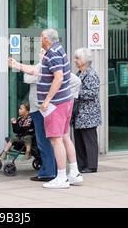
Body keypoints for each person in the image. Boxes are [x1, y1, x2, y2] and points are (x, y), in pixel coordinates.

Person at [10, 29, 83, 189]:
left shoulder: (52, 54)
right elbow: (36, 71)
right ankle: (74, 173)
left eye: (40, 38)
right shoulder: (58, 50)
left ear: (45, 39)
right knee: (64, 137)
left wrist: (47, 101)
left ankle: (62, 177)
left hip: (55, 105)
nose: (39, 41)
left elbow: (59, 77)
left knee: (56, 140)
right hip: (64, 102)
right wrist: (17, 65)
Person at [22, 50, 57, 182]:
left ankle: (48, 172)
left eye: (43, 51)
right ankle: (51, 170)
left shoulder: (43, 66)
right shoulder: (47, 66)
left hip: (39, 108)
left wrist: (30, 69)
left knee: (44, 142)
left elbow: (27, 77)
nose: (40, 53)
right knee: (49, 141)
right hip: (43, 107)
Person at [73, 48, 102, 173]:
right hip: (79, 113)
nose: (75, 60)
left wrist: (76, 92)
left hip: (88, 114)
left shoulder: (91, 74)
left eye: (77, 58)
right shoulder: (78, 73)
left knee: (89, 140)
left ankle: (91, 165)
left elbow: (92, 93)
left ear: (85, 60)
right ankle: (81, 164)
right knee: (79, 140)